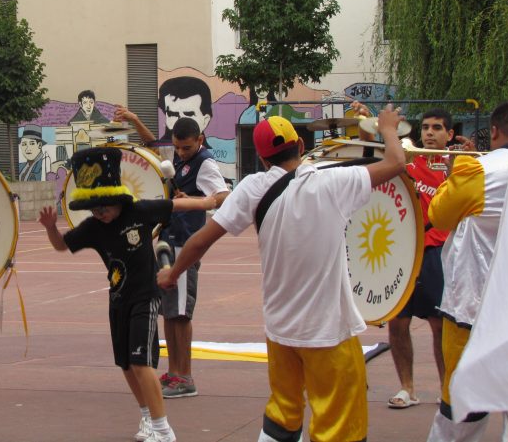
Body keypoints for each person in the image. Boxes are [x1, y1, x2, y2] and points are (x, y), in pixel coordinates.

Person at [158, 108, 407, 442]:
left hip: (280, 330)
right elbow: (395, 164)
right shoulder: (331, 181)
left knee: (283, 414)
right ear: (301, 146)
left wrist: (172, 274)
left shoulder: (251, 189)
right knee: (339, 424)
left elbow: (199, 241)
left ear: (262, 158)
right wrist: (388, 129)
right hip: (328, 332)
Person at [38, 146, 216, 442]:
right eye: (94, 209)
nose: (101, 213)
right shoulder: (93, 227)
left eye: (104, 207)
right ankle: (147, 416)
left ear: (116, 198)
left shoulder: (139, 211)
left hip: (145, 296)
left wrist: (209, 201)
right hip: (118, 299)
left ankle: (163, 430)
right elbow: (61, 245)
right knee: (125, 363)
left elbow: (177, 206)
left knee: (140, 362)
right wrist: (49, 228)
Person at [114, 108, 229, 399]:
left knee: (181, 314)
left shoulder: (205, 163)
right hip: (169, 238)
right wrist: (135, 119)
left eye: (186, 147)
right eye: (177, 147)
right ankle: (174, 371)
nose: (180, 152)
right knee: (169, 311)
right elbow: (153, 145)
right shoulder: (180, 156)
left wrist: (196, 200)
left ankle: (185, 376)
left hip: (185, 243)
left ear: (200, 139)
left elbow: (224, 196)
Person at [426, 101, 508, 442]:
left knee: (461, 405)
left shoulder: (478, 171)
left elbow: (439, 216)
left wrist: (459, 169)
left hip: (473, 307)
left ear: (494, 131)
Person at [386, 108, 454, 409]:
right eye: (425, 127)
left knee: (439, 325)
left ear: (448, 134)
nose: (429, 133)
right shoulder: (410, 160)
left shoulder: (456, 166)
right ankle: (407, 388)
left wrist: (455, 167)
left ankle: (446, 390)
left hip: (436, 253)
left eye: (437, 128)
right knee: (397, 323)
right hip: (404, 251)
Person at [156, 76, 213, 146]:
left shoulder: (204, 156)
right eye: (173, 114)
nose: (181, 121)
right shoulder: (159, 154)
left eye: (189, 114)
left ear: (205, 120)